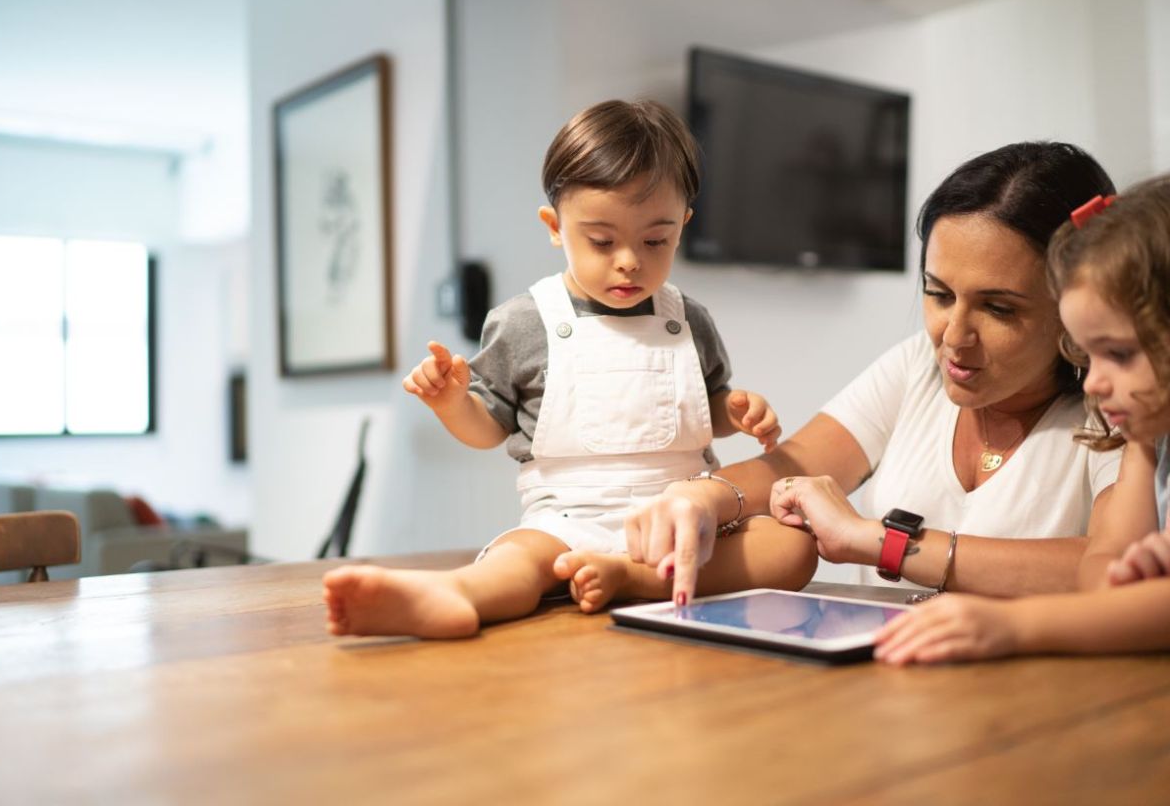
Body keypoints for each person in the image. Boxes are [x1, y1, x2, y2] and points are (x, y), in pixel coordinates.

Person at [322, 99, 818, 638]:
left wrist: (737, 409)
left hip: (680, 518)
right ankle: (452, 594)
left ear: (683, 226)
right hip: (566, 520)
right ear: (555, 227)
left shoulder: (688, 319)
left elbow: (709, 405)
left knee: (791, 546)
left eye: (656, 240)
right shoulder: (524, 321)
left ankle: (632, 578)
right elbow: (490, 429)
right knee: (519, 562)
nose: (629, 260)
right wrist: (451, 402)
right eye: (601, 241)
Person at [626, 142, 1123, 604]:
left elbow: (1112, 565)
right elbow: (796, 463)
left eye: (998, 309)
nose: (953, 336)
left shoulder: (1119, 404)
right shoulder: (918, 367)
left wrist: (877, 543)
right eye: (939, 294)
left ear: (1079, 306)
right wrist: (702, 496)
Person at [872, 163, 1170, 664]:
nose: (1094, 381)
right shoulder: (1157, 442)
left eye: (1120, 354)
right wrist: (1131, 578)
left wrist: (1012, 624)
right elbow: (1098, 569)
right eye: (1088, 355)